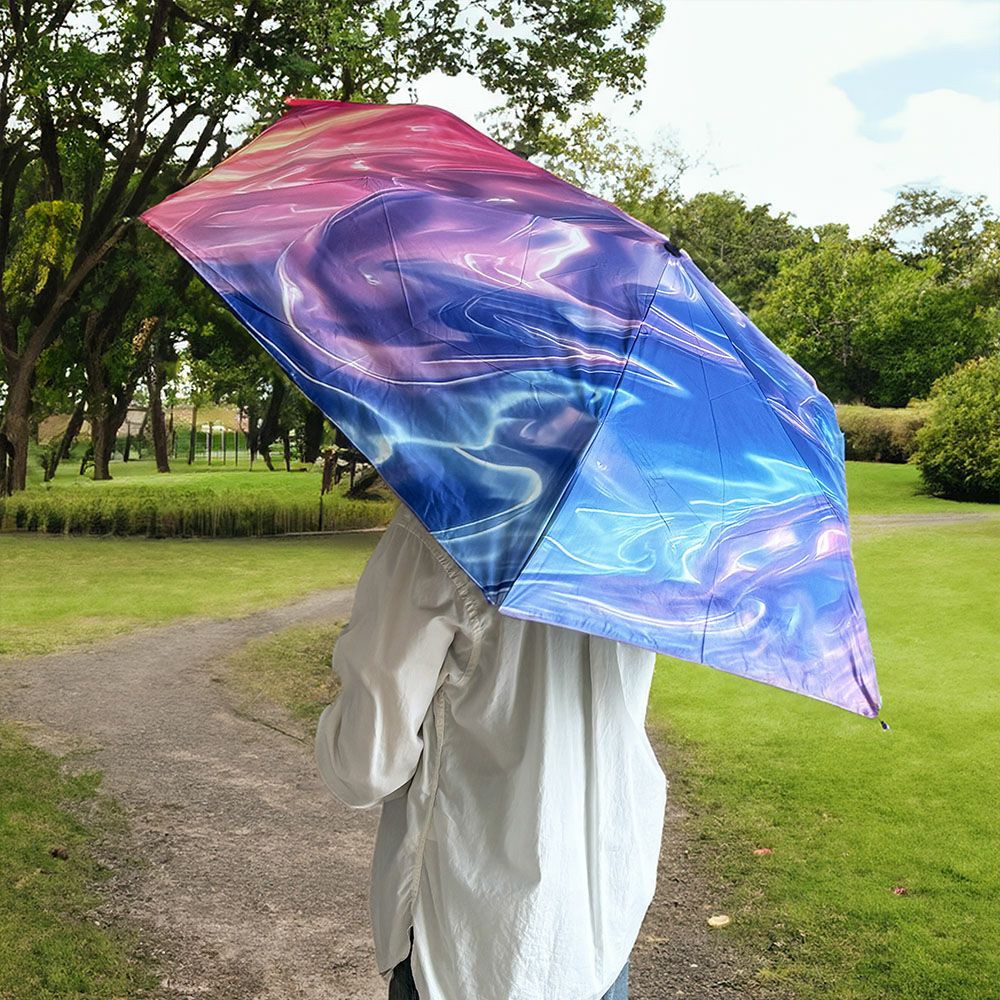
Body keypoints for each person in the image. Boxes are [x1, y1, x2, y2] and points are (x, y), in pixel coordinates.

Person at [315, 503, 667, 1000]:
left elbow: (365, 765)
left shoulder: (450, 520)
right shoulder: (643, 530)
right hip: (600, 923)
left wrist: (337, 720)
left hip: (473, 946)